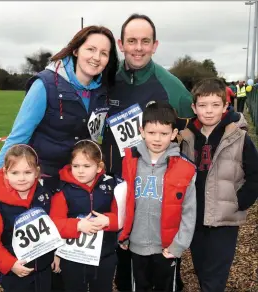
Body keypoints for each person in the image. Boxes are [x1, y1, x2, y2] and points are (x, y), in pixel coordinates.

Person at [0, 25, 119, 214]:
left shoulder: (102, 92)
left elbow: (103, 133)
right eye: (91, 49)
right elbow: (18, 137)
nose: (97, 57)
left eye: (104, 53)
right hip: (41, 182)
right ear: (76, 50)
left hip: (76, 183)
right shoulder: (45, 85)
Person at [101, 13, 194, 291]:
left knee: (165, 276)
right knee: (124, 275)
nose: (138, 47)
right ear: (121, 43)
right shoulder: (105, 80)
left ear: (155, 45)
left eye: (145, 41)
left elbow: (193, 131)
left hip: (158, 196)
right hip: (115, 194)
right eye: (132, 41)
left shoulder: (172, 86)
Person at [180, 78, 258, 292]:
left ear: (225, 106)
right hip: (195, 216)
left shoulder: (238, 137)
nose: (208, 111)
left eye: (215, 105)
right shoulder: (187, 138)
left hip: (224, 220)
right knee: (202, 268)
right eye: (203, 105)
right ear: (194, 107)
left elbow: (254, 174)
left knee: (216, 275)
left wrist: (240, 201)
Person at [118, 101, 196, 292]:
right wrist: (123, 235)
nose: (157, 138)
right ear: (142, 131)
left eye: (164, 133)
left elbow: (189, 211)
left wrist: (179, 245)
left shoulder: (185, 169)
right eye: (152, 132)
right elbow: (123, 201)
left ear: (174, 134)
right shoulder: (129, 161)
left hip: (167, 247)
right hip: (135, 244)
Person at [0, 144, 61, 292]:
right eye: (15, 173)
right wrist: (10, 264)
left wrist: (56, 253)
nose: (22, 178)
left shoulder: (45, 195)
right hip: (16, 273)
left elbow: (54, 228)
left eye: (27, 172)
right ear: (5, 173)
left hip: (44, 270)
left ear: (37, 172)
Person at [50, 140, 126, 292]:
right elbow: (54, 224)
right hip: (72, 258)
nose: (80, 171)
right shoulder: (62, 190)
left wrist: (109, 221)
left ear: (99, 167)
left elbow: (123, 216)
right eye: (76, 166)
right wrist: (77, 225)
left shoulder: (112, 186)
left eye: (87, 166)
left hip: (104, 255)